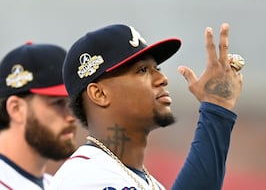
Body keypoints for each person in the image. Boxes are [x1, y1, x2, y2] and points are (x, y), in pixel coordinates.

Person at [50, 22, 244, 190]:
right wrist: (216, 109)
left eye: (156, 68)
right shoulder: (84, 177)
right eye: (142, 70)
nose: (162, 78)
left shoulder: (144, 181)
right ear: (99, 94)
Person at [0, 42, 78, 190]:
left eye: (70, 104)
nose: (71, 117)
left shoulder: (56, 184)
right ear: (16, 109)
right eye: (58, 103)